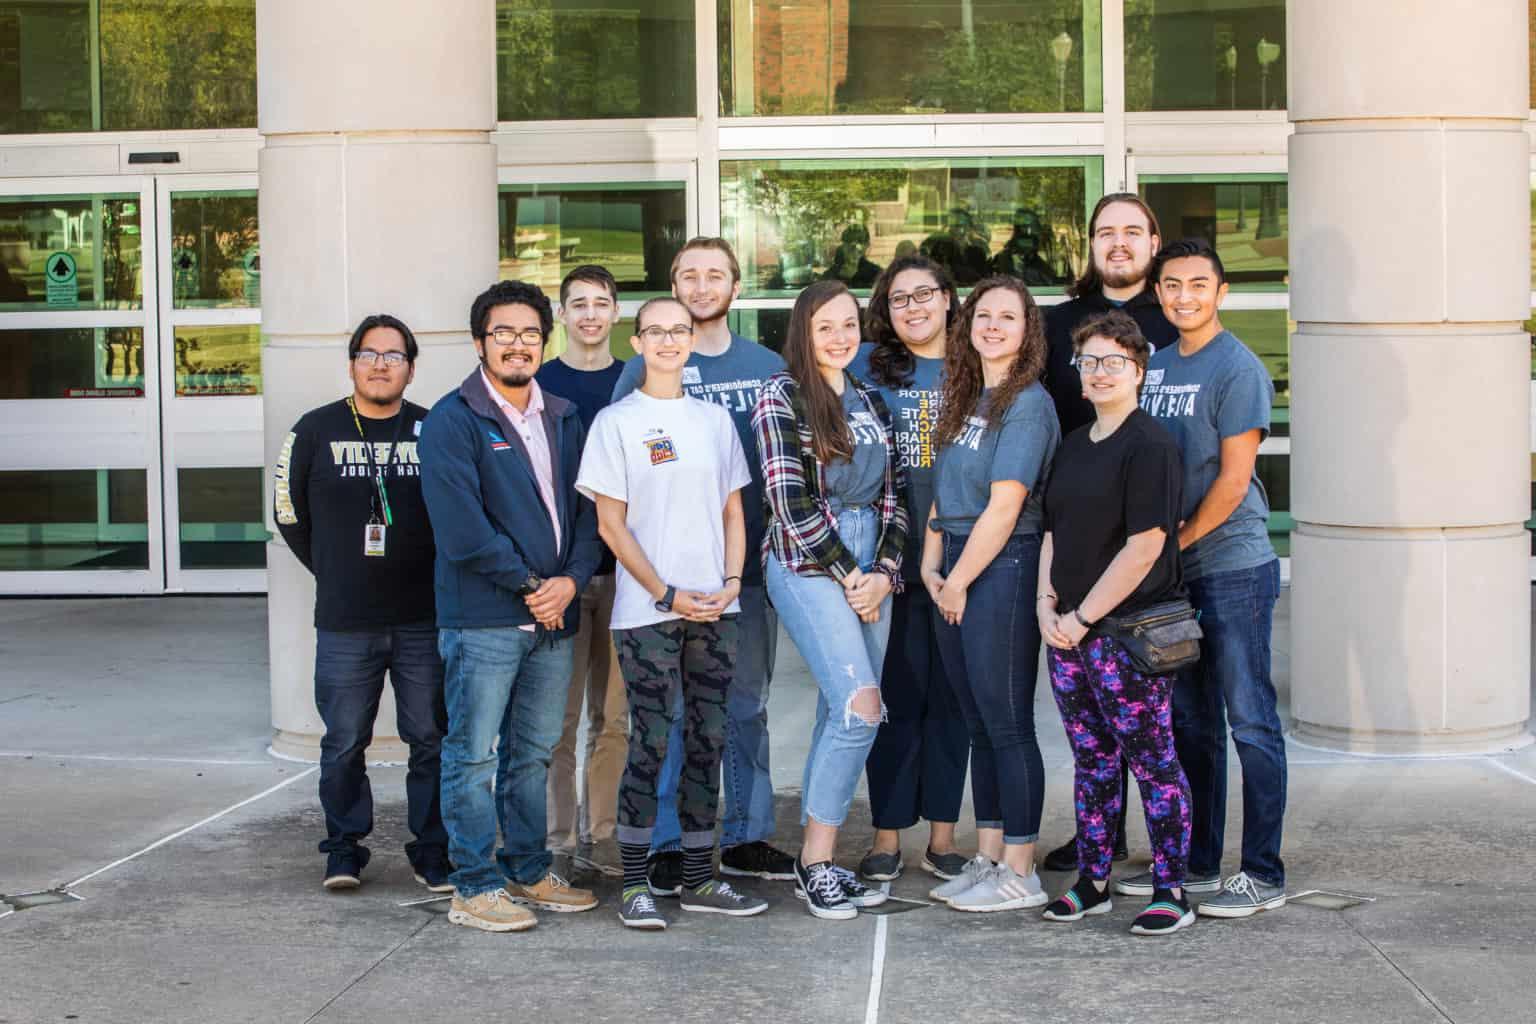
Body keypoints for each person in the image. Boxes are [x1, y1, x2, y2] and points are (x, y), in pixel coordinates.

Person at [577, 296, 769, 929]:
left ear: (691, 341)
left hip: (717, 607)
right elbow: (611, 523)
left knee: (709, 741)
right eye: (655, 331)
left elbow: (733, 513)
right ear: (638, 342)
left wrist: (733, 582)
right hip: (647, 612)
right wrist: (663, 591)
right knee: (652, 741)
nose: (667, 340)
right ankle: (635, 884)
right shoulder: (616, 422)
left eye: (678, 331)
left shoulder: (714, 421)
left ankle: (699, 878)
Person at [420, 280, 604, 933]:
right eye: (504, 333)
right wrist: (536, 587)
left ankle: (527, 870)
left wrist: (572, 581)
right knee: (472, 755)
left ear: (543, 341)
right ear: (480, 343)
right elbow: (463, 533)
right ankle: (472, 885)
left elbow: (588, 511)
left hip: (554, 619)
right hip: (485, 621)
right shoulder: (451, 420)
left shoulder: (562, 415)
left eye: (529, 333)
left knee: (530, 752)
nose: (518, 345)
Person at [612, 237, 793, 892]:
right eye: (689, 274)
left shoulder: (768, 363)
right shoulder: (648, 367)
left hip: (743, 563)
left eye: (715, 274)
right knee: (669, 711)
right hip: (665, 571)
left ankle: (747, 834)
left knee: (744, 704)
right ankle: (667, 840)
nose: (701, 284)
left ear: (735, 287)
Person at [1133, 238, 1286, 920]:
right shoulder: (1156, 367)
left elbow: (1231, 482)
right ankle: (1197, 863)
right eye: (1172, 285)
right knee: (1191, 724)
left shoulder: (1239, 368)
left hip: (1232, 567)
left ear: (1220, 293)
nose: (1184, 295)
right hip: (1176, 575)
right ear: (1159, 293)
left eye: (1198, 284)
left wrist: (1175, 546)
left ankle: (1261, 871)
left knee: (1249, 719)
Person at [273, 314, 448, 893]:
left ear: (410, 367)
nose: (380, 364)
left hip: (425, 617)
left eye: (393, 355)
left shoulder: (434, 428)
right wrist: (333, 569)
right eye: (369, 354)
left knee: (431, 739)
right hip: (347, 622)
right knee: (345, 740)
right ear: (351, 364)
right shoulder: (314, 429)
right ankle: (344, 848)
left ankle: (431, 849)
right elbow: (287, 510)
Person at [1036, 310, 1195, 936]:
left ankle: (1170, 889)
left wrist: (1080, 617)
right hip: (1069, 634)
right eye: (1089, 362)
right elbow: (1053, 530)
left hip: (1127, 636)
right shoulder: (1076, 445)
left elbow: (1145, 546)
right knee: (1092, 760)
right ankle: (1093, 881)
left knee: (1154, 762)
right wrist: (1047, 605)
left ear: (1139, 371)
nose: (1100, 373)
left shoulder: (1149, 444)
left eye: (1114, 362)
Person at [754, 279, 907, 920]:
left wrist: (885, 573)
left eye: (850, 325)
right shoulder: (780, 396)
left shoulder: (872, 398)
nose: (841, 337)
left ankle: (817, 859)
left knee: (837, 713)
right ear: (803, 333)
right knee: (861, 707)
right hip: (808, 563)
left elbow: (896, 495)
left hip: (872, 564)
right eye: (826, 327)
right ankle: (818, 862)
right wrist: (851, 575)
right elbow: (790, 505)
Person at [1040, 191, 1178, 874]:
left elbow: (1148, 537)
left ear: (1154, 241)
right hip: (1078, 545)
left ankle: (1176, 869)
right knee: (1093, 744)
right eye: (1105, 233)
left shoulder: (1175, 318)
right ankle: (1100, 850)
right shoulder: (1058, 323)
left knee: (1164, 740)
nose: (1118, 243)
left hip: (1147, 566)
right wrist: (1053, 603)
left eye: (1132, 232)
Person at [922, 275, 1060, 914]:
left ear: (1028, 330)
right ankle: (991, 853)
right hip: (954, 562)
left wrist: (958, 579)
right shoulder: (965, 395)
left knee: (1006, 723)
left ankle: (1022, 871)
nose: (994, 325)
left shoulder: (1027, 403)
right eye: (984, 314)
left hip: (999, 566)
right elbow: (944, 495)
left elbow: (1005, 507)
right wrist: (931, 564)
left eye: (1010, 316)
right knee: (978, 723)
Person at [849, 256, 971, 883]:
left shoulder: (978, 363)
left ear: (950, 299)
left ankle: (944, 837)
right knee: (894, 697)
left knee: (951, 700)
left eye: (925, 293)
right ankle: (887, 834)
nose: (913, 307)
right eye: (899, 299)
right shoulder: (866, 367)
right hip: (889, 560)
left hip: (960, 562)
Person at [536, 265, 629, 878]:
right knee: (559, 718)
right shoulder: (540, 384)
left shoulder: (638, 380)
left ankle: (607, 834)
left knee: (616, 717)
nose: (591, 314)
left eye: (601, 303)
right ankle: (558, 842)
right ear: (562, 315)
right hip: (562, 578)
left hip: (628, 576)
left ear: (617, 314)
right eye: (579, 304)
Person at [821, 223, 883, 288]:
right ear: (843, 246)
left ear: (867, 245)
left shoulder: (876, 274)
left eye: (860, 241)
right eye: (849, 240)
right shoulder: (830, 275)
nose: (853, 245)